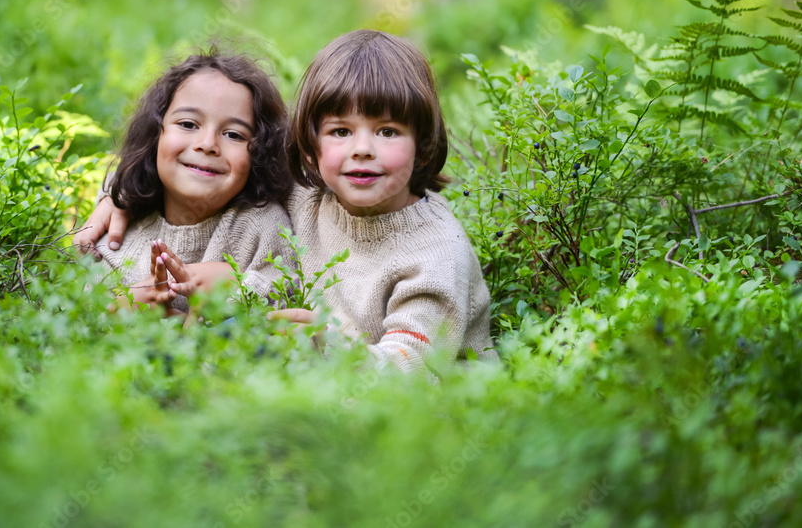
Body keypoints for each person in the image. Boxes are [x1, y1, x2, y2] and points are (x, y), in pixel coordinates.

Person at [77, 31, 496, 372]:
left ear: (423, 146)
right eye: (340, 131)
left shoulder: (437, 254)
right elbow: (215, 166)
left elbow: (415, 369)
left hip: (430, 419)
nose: (362, 149)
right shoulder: (313, 195)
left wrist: (326, 349)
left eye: (387, 131)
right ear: (310, 148)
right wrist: (122, 195)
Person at [75, 49, 293, 314]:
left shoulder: (261, 227)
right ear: (155, 135)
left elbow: (286, 303)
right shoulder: (119, 234)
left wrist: (237, 287)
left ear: (260, 153)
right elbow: (78, 318)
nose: (208, 144)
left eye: (234, 134)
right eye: (189, 124)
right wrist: (122, 309)